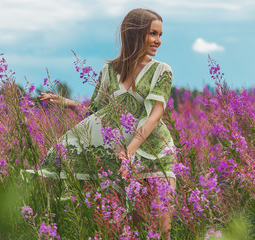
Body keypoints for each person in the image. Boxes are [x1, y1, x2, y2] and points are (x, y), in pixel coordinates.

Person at [38, 8, 175, 237]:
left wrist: (130, 151)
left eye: (160, 35)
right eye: (153, 34)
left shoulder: (162, 71)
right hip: (118, 158)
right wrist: (65, 102)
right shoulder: (109, 71)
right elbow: (98, 114)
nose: (158, 41)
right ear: (134, 33)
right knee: (128, 228)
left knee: (161, 229)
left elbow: (155, 115)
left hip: (154, 152)